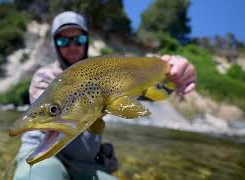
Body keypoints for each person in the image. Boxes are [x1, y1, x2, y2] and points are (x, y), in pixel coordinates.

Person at [13, 11, 196, 180]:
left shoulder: (110, 71)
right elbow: (47, 126)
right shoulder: (45, 77)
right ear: (55, 44)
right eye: (63, 41)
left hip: (85, 162)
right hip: (49, 157)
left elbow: (153, 92)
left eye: (78, 38)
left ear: (86, 40)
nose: (72, 46)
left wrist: (176, 72)